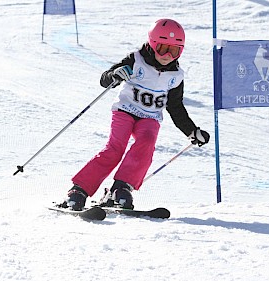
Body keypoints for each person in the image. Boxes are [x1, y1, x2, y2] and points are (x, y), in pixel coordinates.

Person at [61, 18, 210, 211]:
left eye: (173, 50)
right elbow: (104, 79)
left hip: (150, 117)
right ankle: (79, 190)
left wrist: (192, 131)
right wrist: (115, 74)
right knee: (115, 148)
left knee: (146, 144)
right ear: (152, 43)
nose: (166, 55)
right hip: (125, 111)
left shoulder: (176, 76)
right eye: (162, 47)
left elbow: (175, 107)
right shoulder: (136, 59)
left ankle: (121, 188)